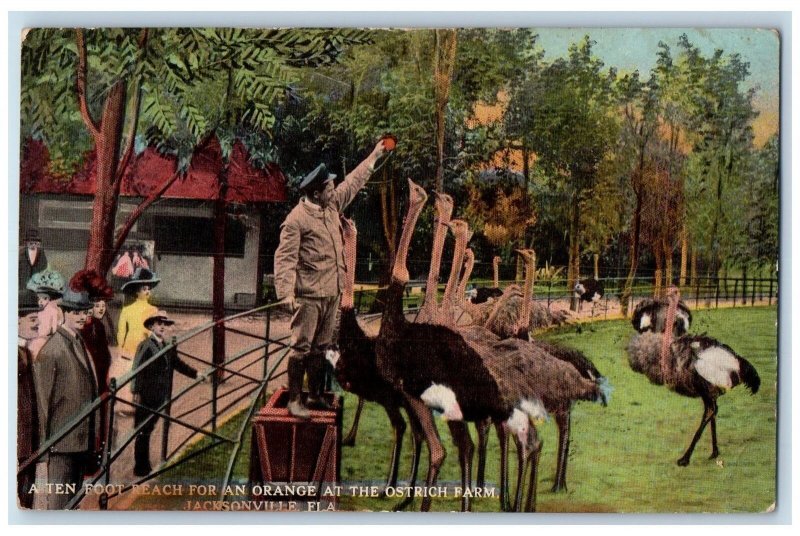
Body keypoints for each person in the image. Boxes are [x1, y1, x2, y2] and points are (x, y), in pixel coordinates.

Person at [273, 139, 387, 418]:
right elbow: (285, 259)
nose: (333, 189)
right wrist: (285, 293)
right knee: (301, 346)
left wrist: (374, 155)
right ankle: (295, 400)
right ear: (316, 192)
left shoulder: (331, 206)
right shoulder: (296, 220)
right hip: (309, 297)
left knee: (322, 347)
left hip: (331, 293)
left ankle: (314, 396)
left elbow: (353, 182)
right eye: (328, 187)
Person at [33, 288, 98, 509]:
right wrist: (43, 448)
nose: (81, 317)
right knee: (58, 506)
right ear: (64, 313)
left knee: (73, 502)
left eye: (84, 312)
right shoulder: (52, 350)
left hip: (81, 441)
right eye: (75, 312)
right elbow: (42, 402)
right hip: (60, 444)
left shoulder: (79, 342)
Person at [130, 311, 204, 476]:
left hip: (160, 393)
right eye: (158, 323)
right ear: (151, 326)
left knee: (150, 427)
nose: (162, 326)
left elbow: (177, 364)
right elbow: (137, 368)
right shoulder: (146, 345)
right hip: (146, 393)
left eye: (164, 323)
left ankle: (145, 464)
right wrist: (135, 390)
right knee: (143, 429)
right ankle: (141, 466)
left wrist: (196, 374)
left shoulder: (168, 346)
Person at [17, 289, 41, 509]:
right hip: (17, 439)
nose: (38, 324)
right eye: (33, 319)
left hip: (28, 438)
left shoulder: (27, 352)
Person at [26, 269, 65, 359]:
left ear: (49, 298)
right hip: (32, 340)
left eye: (44, 298)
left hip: (46, 342)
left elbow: (54, 330)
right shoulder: (33, 310)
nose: (41, 301)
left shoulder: (53, 310)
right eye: (38, 298)